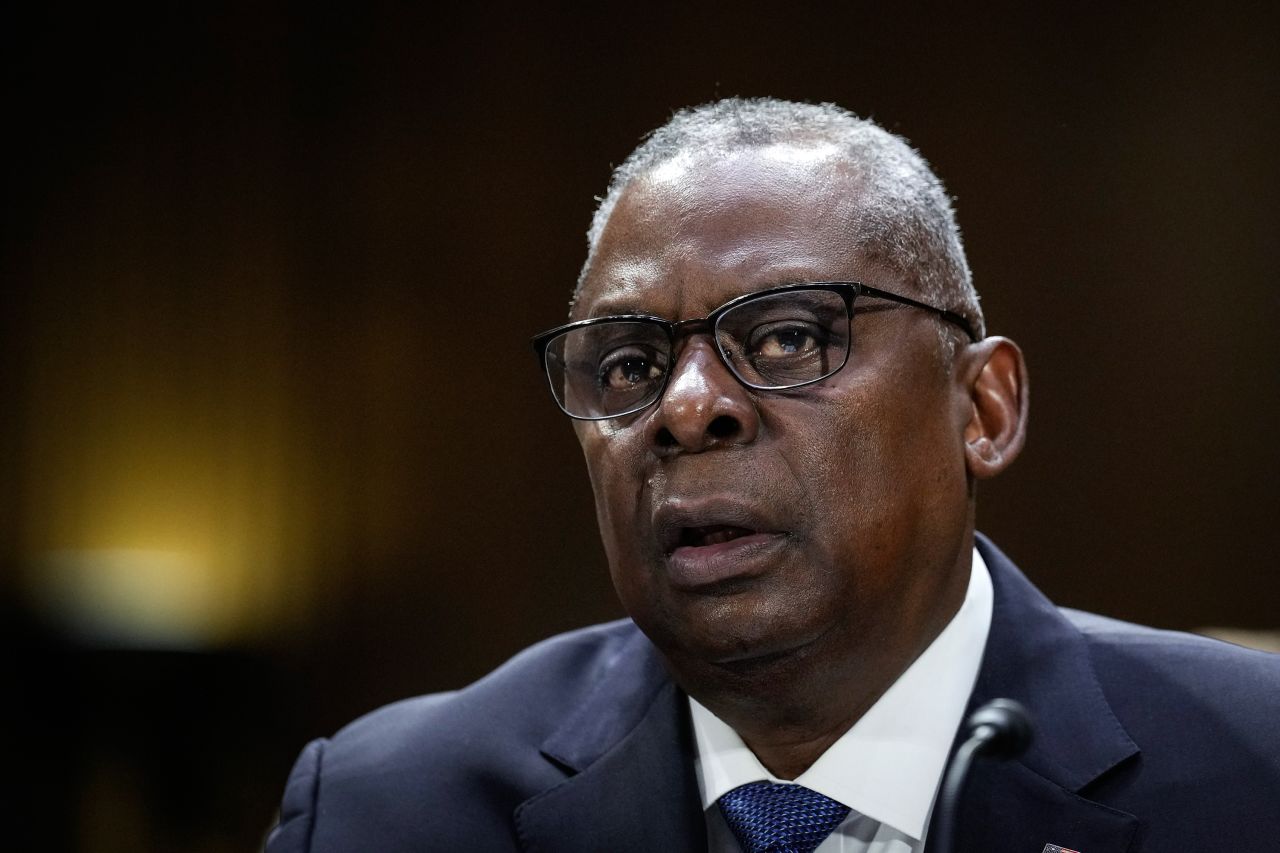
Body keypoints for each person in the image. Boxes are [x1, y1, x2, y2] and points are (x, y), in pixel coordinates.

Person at [266, 98, 1280, 853]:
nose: (683, 405)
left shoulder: (1253, 771)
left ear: (980, 409)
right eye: (626, 364)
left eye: (789, 337)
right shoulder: (383, 810)